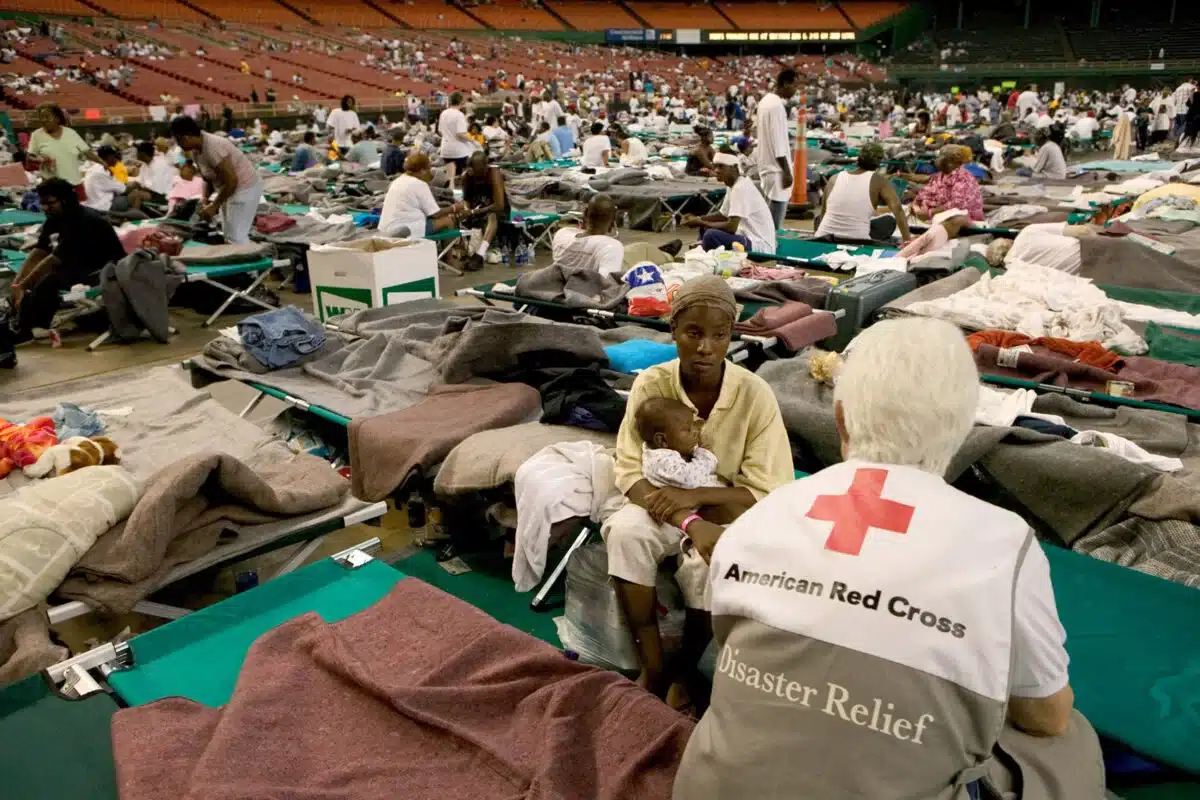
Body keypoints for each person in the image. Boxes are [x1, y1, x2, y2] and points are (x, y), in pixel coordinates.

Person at [674, 317, 1103, 800]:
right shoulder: (1003, 544)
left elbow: (730, 639)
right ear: (964, 428)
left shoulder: (762, 514)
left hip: (707, 788)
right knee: (1073, 738)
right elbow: (1046, 715)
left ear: (840, 418)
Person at [604, 275, 793, 709]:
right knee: (625, 534)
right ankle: (651, 666)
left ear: (731, 337)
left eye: (719, 336)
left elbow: (769, 487)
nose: (705, 347)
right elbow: (631, 472)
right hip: (658, 501)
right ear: (672, 331)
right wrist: (687, 518)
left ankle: (686, 671)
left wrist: (700, 501)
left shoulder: (754, 394)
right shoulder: (651, 384)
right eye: (692, 333)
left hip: (725, 509)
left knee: (712, 563)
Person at [10, 178, 125, 340]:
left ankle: (30, 327)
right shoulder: (56, 217)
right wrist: (17, 282)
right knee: (39, 279)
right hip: (80, 264)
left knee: (49, 280)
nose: (45, 208)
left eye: (50, 203)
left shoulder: (85, 221)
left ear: (65, 200)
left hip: (105, 269)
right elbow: (40, 251)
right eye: (42, 204)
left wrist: (23, 285)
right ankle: (21, 318)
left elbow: (53, 259)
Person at [169, 115, 263, 244]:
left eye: (178, 141)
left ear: (186, 137)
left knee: (236, 237)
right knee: (228, 233)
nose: (178, 145)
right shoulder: (196, 150)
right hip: (228, 190)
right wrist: (205, 200)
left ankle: (251, 261)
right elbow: (208, 179)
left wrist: (215, 205)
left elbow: (232, 181)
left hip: (244, 188)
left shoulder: (213, 147)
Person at [551, 194, 682, 277]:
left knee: (637, 247)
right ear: (614, 219)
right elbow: (606, 284)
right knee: (645, 250)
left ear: (585, 213)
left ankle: (660, 251)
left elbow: (584, 238)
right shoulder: (611, 247)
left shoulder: (561, 235)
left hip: (602, 256)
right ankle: (666, 255)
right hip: (611, 261)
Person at [814, 142, 911, 244]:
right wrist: (907, 241)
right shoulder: (878, 180)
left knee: (818, 219)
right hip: (858, 240)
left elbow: (824, 212)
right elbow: (898, 210)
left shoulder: (835, 178)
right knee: (889, 221)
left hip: (824, 236)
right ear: (878, 163)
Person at [683, 153, 776, 254]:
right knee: (705, 230)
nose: (716, 170)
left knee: (711, 235)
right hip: (746, 236)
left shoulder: (740, 188)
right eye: (716, 166)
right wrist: (698, 218)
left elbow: (731, 227)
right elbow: (723, 214)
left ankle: (707, 258)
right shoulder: (733, 184)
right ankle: (704, 253)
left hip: (759, 245)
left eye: (721, 167)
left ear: (734, 168)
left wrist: (701, 222)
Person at [378, 152, 467, 238]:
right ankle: (448, 253)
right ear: (422, 171)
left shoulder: (397, 181)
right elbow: (435, 213)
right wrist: (455, 208)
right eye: (429, 169)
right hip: (406, 229)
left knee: (441, 216)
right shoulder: (420, 184)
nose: (430, 172)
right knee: (447, 220)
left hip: (386, 228)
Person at [753, 69, 798, 230]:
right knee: (773, 227)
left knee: (766, 220)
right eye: (794, 85)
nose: (795, 90)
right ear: (785, 83)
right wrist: (787, 171)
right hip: (777, 170)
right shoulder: (777, 106)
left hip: (766, 167)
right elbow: (778, 142)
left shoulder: (765, 101)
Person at [26, 104, 101, 199]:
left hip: (73, 182)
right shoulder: (37, 135)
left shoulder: (71, 135)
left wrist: (103, 163)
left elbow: (87, 153)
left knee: (80, 206)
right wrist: (41, 160)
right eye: (42, 117)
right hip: (52, 183)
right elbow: (29, 158)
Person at [903, 144, 985, 222]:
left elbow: (957, 204)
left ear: (952, 161)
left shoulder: (963, 178)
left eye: (941, 157)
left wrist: (930, 212)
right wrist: (915, 205)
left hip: (963, 218)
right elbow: (925, 192)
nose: (938, 160)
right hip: (932, 215)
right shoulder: (940, 175)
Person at [459, 151, 510, 271]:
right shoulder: (467, 176)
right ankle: (461, 251)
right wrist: (467, 210)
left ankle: (480, 255)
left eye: (478, 172)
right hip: (477, 209)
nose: (474, 173)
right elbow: (466, 200)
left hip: (496, 211)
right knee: (456, 213)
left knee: (491, 216)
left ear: (485, 167)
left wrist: (474, 212)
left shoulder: (494, 174)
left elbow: (499, 205)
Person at [83, 145, 149, 215]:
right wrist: (137, 184)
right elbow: (123, 189)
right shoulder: (103, 170)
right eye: (114, 157)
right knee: (136, 194)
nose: (116, 159)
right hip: (104, 207)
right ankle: (131, 219)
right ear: (109, 157)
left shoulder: (94, 168)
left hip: (93, 204)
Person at [438, 91, 473, 189]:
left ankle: (451, 195)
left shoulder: (443, 113)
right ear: (461, 101)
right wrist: (472, 140)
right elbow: (461, 134)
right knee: (461, 179)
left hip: (446, 149)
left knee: (451, 180)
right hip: (459, 151)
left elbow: (440, 131)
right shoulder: (459, 115)